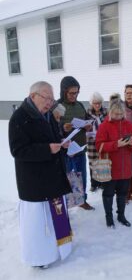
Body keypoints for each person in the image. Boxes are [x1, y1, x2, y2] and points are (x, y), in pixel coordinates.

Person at [8, 81, 72, 268]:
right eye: (47, 98)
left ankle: (60, 249)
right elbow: (18, 150)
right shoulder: (19, 118)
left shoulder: (48, 115)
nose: (50, 103)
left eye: (52, 99)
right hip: (35, 182)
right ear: (33, 95)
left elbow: (52, 139)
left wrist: (61, 143)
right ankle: (39, 258)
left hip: (53, 178)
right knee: (39, 225)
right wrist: (47, 149)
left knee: (57, 216)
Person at [96, 94, 132, 228]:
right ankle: (109, 217)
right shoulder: (104, 126)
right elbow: (99, 146)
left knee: (122, 194)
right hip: (109, 168)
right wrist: (116, 144)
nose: (118, 116)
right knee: (108, 193)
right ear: (110, 112)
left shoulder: (128, 125)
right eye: (115, 113)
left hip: (125, 168)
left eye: (121, 113)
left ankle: (121, 215)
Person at [57, 76, 94, 210]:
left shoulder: (79, 105)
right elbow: (51, 127)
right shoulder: (57, 106)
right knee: (66, 178)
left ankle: (81, 200)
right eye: (71, 93)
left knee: (81, 176)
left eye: (77, 92)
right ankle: (65, 204)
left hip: (79, 148)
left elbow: (85, 119)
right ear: (64, 91)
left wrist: (87, 126)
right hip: (65, 151)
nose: (74, 95)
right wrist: (62, 128)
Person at [86, 92, 108, 192]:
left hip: (103, 141)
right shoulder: (87, 113)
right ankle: (94, 184)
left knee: (102, 161)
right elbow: (83, 126)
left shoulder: (106, 112)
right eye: (95, 103)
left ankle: (103, 183)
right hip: (91, 142)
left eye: (99, 103)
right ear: (91, 103)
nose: (97, 105)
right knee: (93, 162)